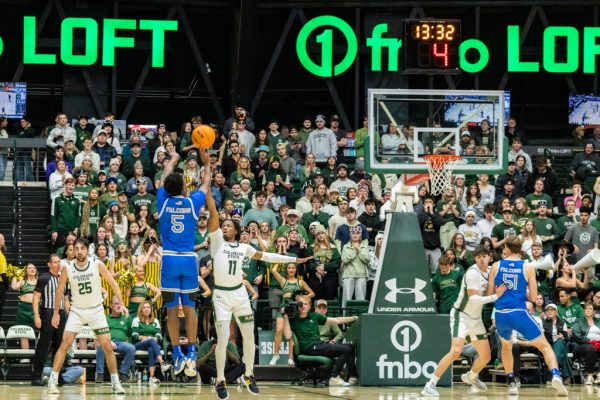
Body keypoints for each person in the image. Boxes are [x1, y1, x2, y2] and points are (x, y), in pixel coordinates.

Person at [204, 186, 312, 399]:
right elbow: (214, 213)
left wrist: (293, 259)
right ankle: (221, 379)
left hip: (240, 295)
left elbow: (269, 257)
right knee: (223, 338)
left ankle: (249, 374)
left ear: (236, 230)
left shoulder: (245, 248)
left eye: (228, 226)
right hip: (221, 297)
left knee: (248, 337)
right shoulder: (216, 244)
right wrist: (207, 188)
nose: (224, 228)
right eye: (222, 226)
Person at [487, 236, 568, 396]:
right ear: (521, 249)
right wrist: (522, 289)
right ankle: (556, 375)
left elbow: (490, 294)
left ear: (507, 248)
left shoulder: (496, 266)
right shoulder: (528, 266)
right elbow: (533, 298)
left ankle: (511, 382)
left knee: (507, 346)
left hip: (501, 314)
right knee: (545, 346)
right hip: (519, 313)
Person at [422, 246, 505, 397]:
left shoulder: (491, 271)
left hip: (475, 319)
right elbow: (473, 299)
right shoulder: (472, 273)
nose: (481, 259)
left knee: (486, 356)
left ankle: (471, 376)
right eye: (478, 257)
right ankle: (430, 384)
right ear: (474, 258)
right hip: (461, 316)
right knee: (455, 351)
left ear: (489, 257)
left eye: (484, 256)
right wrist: (496, 296)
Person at [47, 238, 128, 395]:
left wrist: (123, 304)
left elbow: (113, 283)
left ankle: (115, 382)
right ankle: (52, 381)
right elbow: (59, 290)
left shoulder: (97, 264)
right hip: (77, 311)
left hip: (96, 310)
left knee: (107, 346)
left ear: (87, 250)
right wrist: (56, 313)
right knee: (65, 345)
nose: (79, 251)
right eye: (76, 248)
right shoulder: (67, 267)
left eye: (82, 248)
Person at [157, 148, 211, 377]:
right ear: (183, 188)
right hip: (189, 261)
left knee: (171, 311)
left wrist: (175, 158)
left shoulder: (162, 199)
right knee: (190, 309)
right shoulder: (192, 203)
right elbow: (206, 183)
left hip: (169, 260)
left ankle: (177, 353)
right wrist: (207, 163)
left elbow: (164, 175)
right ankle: (191, 353)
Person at [289, 295, 359, 386]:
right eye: (301, 304)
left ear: (310, 306)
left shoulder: (315, 316)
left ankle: (351, 376)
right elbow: (286, 333)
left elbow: (336, 320)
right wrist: (285, 314)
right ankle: (334, 377)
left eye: (306, 304)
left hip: (319, 345)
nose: (303, 306)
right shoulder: (294, 319)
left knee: (350, 347)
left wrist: (354, 318)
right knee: (346, 350)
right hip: (310, 348)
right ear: (297, 305)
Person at [269, 262, 315, 366]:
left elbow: (312, 293)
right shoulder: (283, 281)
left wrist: (302, 298)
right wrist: (279, 259)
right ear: (287, 270)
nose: (291, 270)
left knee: (290, 335)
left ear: (296, 270)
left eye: (293, 268)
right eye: (289, 268)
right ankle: (276, 355)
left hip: (295, 310)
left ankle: (290, 358)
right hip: (283, 308)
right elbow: (273, 271)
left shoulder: (301, 282)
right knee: (278, 330)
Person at [31, 255, 67, 386]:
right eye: (55, 262)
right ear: (49, 264)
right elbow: (35, 298)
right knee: (43, 346)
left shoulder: (64, 279)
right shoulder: (44, 278)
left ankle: (57, 376)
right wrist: (36, 315)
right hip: (48, 312)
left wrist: (67, 315)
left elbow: (66, 298)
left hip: (62, 313)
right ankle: (36, 376)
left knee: (60, 346)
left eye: (59, 262)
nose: (58, 264)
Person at [95, 296, 136, 383]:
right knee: (100, 348)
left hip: (121, 343)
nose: (119, 306)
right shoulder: (105, 318)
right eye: (116, 304)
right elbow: (99, 333)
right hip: (106, 342)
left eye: (120, 304)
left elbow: (130, 335)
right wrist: (109, 342)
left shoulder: (126, 318)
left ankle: (123, 373)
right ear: (111, 306)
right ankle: (100, 374)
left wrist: (127, 342)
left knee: (131, 348)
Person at [131, 301, 171, 384]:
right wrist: (148, 338)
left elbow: (159, 336)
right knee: (152, 341)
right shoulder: (136, 320)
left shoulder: (155, 321)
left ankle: (152, 376)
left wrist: (147, 338)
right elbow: (134, 336)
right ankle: (162, 363)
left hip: (151, 345)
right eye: (144, 307)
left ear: (151, 310)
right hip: (138, 344)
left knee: (151, 348)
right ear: (141, 310)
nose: (146, 309)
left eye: (148, 307)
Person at [542, 303, 573, 384]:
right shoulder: (542, 323)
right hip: (548, 346)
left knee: (559, 343)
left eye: (552, 310)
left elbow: (566, 339)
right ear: (545, 313)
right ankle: (566, 376)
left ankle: (550, 374)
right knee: (561, 353)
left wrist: (563, 337)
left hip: (561, 344)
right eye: (548, 310)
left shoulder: (562, 323)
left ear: (556, 312)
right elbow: (542, 338)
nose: (550, 311)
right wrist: (554, 339)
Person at [572, 302, 600, 384]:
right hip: (581, 345)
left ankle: (599, 376)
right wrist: (589, 341)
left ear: (594, 312)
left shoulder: (598, 321)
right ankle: (590, 376)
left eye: (590, 309)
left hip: (598, 344)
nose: (587, 310)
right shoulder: (579, 321)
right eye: (586, 308)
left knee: (593, 348)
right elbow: (577, 336)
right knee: (591, 348)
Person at [11, 263, 38, 349]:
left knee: (44, 330)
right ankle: (25, 356)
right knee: (24, 332)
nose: (32, 269)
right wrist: (15, 274)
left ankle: (41, 354)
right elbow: (14, 287)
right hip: (23, 309)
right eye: (29, 268)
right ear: (26, 271)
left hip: (37, 309)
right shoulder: (23, 281)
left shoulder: (40, 281)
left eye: (34, 268)